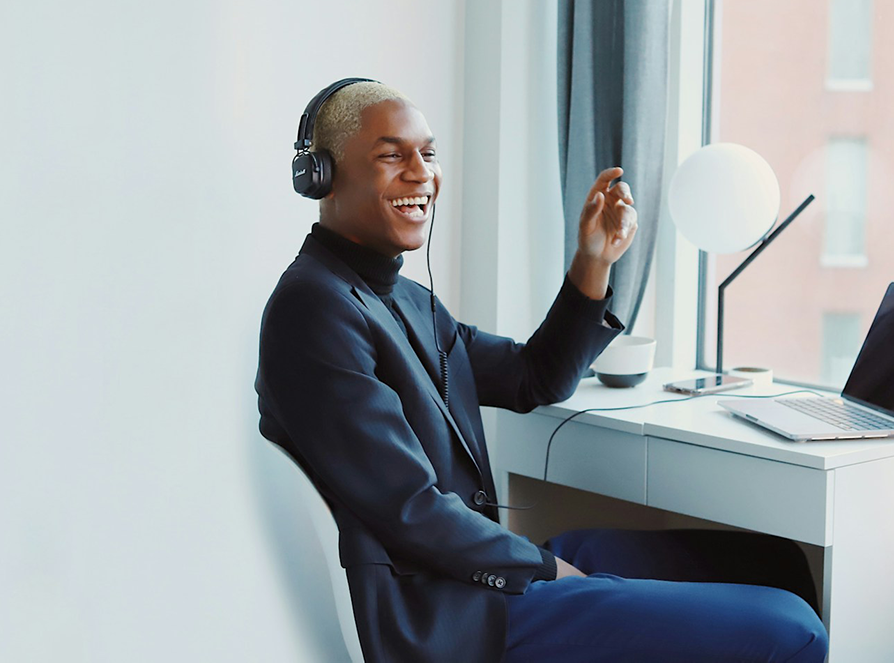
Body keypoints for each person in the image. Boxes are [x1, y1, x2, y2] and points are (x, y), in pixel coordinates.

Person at [255, 79, 827, 662]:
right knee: (793, 629)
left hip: (467, 570)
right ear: (321, 176)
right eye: (390, 155)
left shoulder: (401, 298)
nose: (421, 172)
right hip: (445, 612)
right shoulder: (315, 309)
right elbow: (411, 509)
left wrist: (592, 262)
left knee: (775, 561)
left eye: (427, 153)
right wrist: (548, 567)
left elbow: (534, 377)